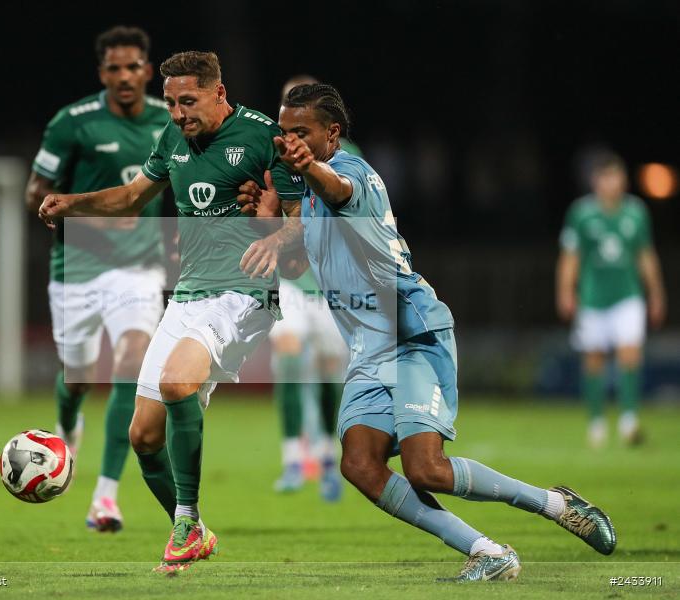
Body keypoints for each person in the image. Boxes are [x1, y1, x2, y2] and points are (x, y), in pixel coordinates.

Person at [236, 83, 616, 582]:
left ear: (332, 134)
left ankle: (555, 505)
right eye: (283, 133)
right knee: (359, 465)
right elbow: (303, 259)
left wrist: (306, 168)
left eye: (300, 133)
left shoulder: (353, 174)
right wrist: (268, 221)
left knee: (426, 468)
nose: (288, 143)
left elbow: (338, 189)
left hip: (412, 333)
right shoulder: (306, 195)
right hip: (368, 348)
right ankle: (486, 551)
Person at [38, 51, 305, 572]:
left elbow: (302, 218)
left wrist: (278, 236)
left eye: (189, 102)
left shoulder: (261, 136)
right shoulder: (172, 139)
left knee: (178, 383)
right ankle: (195, 530)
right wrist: (72, 202)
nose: (179, 114)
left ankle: (184, 521)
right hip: (189, 295)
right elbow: (133, 197)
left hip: (246, 293)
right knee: (143, 436)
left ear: (219, 94)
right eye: (172, 103)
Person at [24, 26, 169, 533]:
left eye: (133, 67)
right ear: (102, 73)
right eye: (114, 68)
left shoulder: (170, 121)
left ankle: (105, 498)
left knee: (132, 361)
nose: (124, 76)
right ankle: (67, 428)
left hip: (139, 269)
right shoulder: (73, 123)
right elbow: (35, 192)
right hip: (77, 270)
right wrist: (85, 218)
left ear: (147, 71)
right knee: (78, 375)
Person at [270, 76, 352, 500]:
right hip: (288, 282)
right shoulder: (271, 153)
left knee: (328, 375)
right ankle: (290, 458)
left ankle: (324, 457)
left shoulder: (347, 160)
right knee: (287, 358)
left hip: (332, 287)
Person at [556, 153, 667, 447]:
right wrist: (566, 291)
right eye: (605, 177)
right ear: (595, 181)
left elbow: (645, 255)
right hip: (592, 297)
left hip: (628, 295)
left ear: (623, 180)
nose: (611, 183)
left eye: (615, 176)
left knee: (629, 353)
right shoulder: (581, 213)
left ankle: (629, 420)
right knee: (593, 359)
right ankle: (596, 422)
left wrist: (656, 292)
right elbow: (571, 257)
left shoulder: (636, 212)